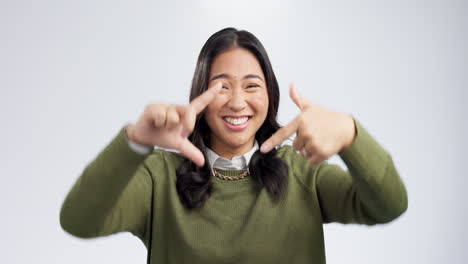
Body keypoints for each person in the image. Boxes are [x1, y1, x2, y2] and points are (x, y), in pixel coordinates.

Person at [60, 27, 408, 264]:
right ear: (201, 93)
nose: (238, 102)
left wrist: (351, 135)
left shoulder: (303, 171)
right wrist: (134, 142)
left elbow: (389, 204)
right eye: (222, 86)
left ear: (269, 95)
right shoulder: (159, 177)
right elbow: (78, 220)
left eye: (252, 86)